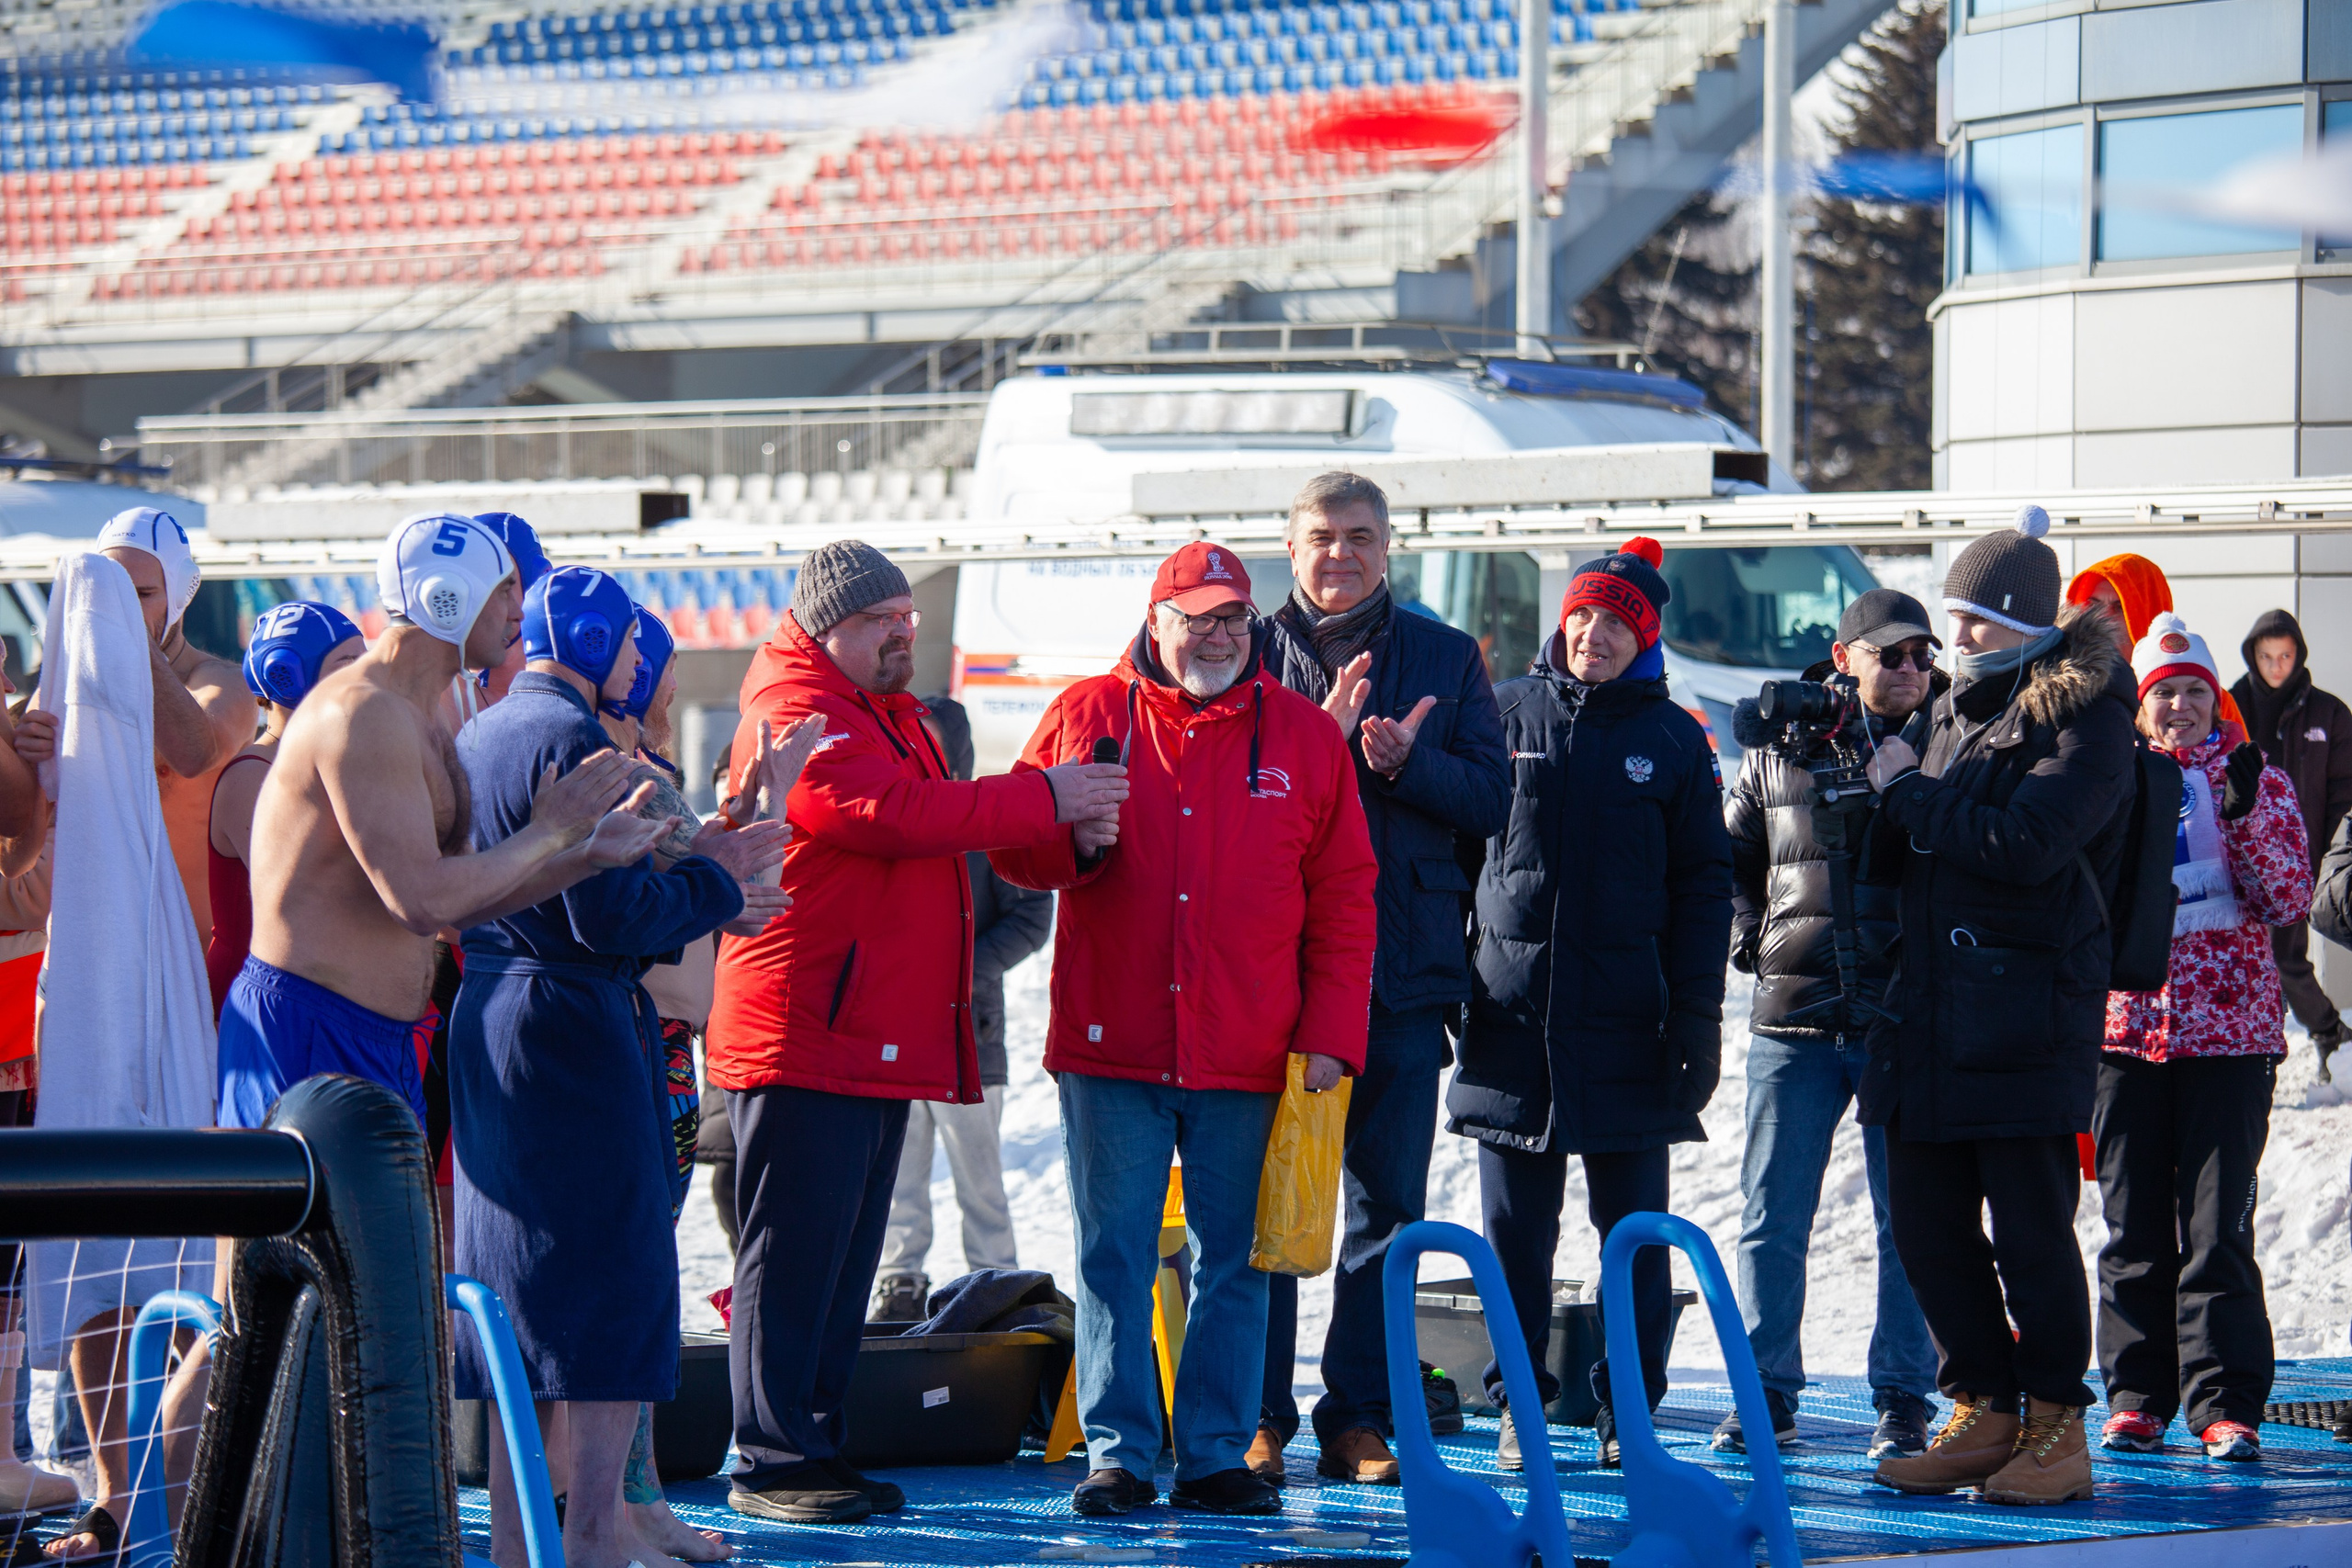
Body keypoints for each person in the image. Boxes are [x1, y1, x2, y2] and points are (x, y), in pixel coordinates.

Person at [707, 541, 1125, 1526]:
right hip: (808, 1027)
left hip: (864, 1029)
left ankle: (811, 1444)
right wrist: (1046, 799)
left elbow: (941, 824)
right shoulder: (797, 710)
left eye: (909, 616)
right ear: (826, 626)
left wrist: (1066, 833)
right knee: (795, 1253)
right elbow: (886, 815)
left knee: (842, 1258)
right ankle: (771, 1459)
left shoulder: (882, 712)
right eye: (880, 620)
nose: (905, 632)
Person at [989, 542, 1377, 1519]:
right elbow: (1010, 852)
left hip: (1249, 1047)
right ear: (1155, 619)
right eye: (1196, 617)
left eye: (1232, 618)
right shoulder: (1085, 712)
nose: (1215, 635)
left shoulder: (1301, 737)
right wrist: (1066, 840)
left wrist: (1330, 1032)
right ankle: (1118, 1454)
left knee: (1236, 1262)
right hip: (1110, 1041)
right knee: (1112, 1253)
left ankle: (1211, 1452)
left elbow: (1344, 896)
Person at [451, 566, 793, 1568]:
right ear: (602, 644)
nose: (646, 670)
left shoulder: (481, 729)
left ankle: (522, 1538)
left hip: (497, 1015)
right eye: (640, 650)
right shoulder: (572, 741)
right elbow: (610, 915)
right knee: (611, 1280)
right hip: (574, 1021)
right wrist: (714, 888)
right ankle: (594, 1531)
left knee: (516, 1287)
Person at [219, 514, 672, 1139]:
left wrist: (581, 854)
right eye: (506, 589)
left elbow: (468, 900)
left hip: (383, 1038)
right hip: (312, 1034)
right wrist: (544, 831)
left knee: (396, 1239)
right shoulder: (363, 713)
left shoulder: (421, 716)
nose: (522, 607)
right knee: (300, 1241)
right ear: (446, 598)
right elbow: (421, 901)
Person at [1862, 506, 2137, 1507]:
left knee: (2029, 1233)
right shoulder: (1947, 710)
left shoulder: (2087, 713)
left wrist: (1906, 796)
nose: (1957, 636)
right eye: (1954, 614)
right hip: (1930, 1010)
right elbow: (1915, 849)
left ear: (2024, 620)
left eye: (1974, 618)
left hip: (2026, 1014)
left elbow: (2026, 846)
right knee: (1928, 1227)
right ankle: (1983, 1404)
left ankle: (2056, 1422)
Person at [1448, 536, 1733, 1472]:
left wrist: (1694, 1027)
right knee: (1512, 1239)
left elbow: (1702, 895)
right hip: (1510, 1026)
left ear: (1642, 638)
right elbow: (1453, 859)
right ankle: (1516, 1407)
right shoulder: (1500, 713)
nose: (1594, 635)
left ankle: (1628, 1414)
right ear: (1559, 620)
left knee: (1632, 1239)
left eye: (1617, 622)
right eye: (1583, 615)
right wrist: (1451, 982)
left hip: (1627, 1031)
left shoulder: (1674, 740)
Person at [1251, 472, 1508, 1485]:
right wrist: (1318, 740)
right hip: (1276, 979)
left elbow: (1492, 799)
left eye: (1359, 536)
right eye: (1320, 536)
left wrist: (1408, 765)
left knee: (1385, 1207)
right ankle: (1258, 1416)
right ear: (1292, 545)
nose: (1339, 554)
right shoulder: (1244, 654)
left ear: (1388, 545)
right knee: (1272, 1208)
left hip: (1403, 977)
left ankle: (1356, 1414)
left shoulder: (1444, 656)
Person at [1716, 588, 1942, 1460]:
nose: (1913, 670)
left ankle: (1904, 1395)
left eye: (1923, 655)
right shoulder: (1778, 748)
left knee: (1911, 1220)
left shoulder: (1945, 739)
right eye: (1893, 655)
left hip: (1900, 1017)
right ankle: (1763, 1391)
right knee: (1772, 1214)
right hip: (1793, 1019)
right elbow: (1729, 854)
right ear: (1844, 658)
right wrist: (1753, 939)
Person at [2095, 615, 2309, 1464]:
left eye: (2193, 691)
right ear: (2141, 708)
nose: (2180, 706)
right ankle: (2138, 1394)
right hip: (2129, 1031)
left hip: (2231, 1035)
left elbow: (2288, 896)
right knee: (2133, 1224)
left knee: (2218, 1229)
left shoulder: (2258, 777)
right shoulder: (2111, 776)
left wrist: (2247, 810)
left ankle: (2223, 1400)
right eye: (2163, 694)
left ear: (2215, 697)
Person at [872, 694, 1053, 1321]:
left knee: (981, 1176)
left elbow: (1032, 916)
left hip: (971, 1034)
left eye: (928, 736)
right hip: (897, 1033)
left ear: (956, 745)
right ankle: (899, 1276)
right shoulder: (894, 817)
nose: (916, 748)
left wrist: (964, 970)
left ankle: (995, 1276)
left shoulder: (983, 818)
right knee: (900, 1167)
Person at [206, 602, 366, 1016]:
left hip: (304, 992)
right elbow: (316, 894)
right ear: (288, 677)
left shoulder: (331, 761)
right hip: (254, 1002)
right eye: (347, 663)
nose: (365, 677)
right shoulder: (251, 777)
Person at [2229, 609, 2352, 1074]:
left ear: (2298, 654)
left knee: (2283, 956)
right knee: (2259, 957)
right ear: (2252, 656)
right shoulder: (2232, 706)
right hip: (2243, 858)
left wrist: (2334, 857)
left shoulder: (2329, 712)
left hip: (2304, 862)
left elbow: (2346, 790)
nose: (2276, 666)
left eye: (2285, 655)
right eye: (2266, 656)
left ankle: (2323, 1032)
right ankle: (2316, 1033)